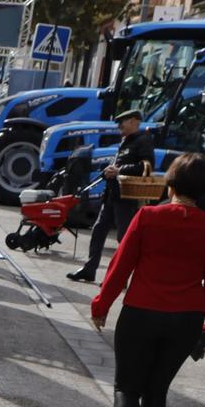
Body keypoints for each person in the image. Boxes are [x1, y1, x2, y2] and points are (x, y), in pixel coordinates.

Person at [89, 152, 205, 407]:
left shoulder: (148, 217)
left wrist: (101, 305)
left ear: (171, 182)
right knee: (156, 392)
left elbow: (120, 266)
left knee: (126, 388)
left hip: (141, 312)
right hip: (186, 320)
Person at [68, 109, 155, 283]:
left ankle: (120, 278)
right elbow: (121, 164)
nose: (119, 126)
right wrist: (108, 170)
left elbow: (146, 167)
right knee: (98, 231)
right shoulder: (126, 141)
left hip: (127, 197)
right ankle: (89, 269)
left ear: (134, 121)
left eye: (122, 122)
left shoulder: (143, 141)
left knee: (123, 238)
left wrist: (119, 170)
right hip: (112, 194)